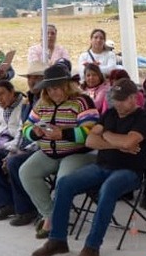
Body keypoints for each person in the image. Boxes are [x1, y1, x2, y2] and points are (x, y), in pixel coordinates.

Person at [33, 78, 146, 256]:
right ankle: (57, 239)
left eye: (121, 100)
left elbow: (129, 143)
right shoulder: (110, 113)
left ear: (133, 98)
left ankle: (92, 246)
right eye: (115, 99)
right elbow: (89, 140)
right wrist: (116, 142)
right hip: (102, 166)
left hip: (129, 172)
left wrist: (105, 135)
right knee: (64, 183)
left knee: (108, 189)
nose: (117, 103)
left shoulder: (143, 118)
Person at [18, 65, 99, 239]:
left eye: (56, 88)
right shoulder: (42, 103)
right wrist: (34, 132)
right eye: (49, 88)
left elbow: (91, 131)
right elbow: (26, 126)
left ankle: (53, 221)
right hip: (49, 152)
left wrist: (63, 133)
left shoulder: (82, 101)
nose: (53, 92)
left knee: (63, 181)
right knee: (26, 172)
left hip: (78, 153)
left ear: (67, 85)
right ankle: (50, 214)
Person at [0, 80, 34, 223]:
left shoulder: (23, 105)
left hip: (17, 145)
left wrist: (10, 149)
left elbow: (22, 133)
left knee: (12, 162)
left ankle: (25, 209)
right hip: (1, 144)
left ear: (12, 92)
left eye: (2, 94)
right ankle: (5, 203)